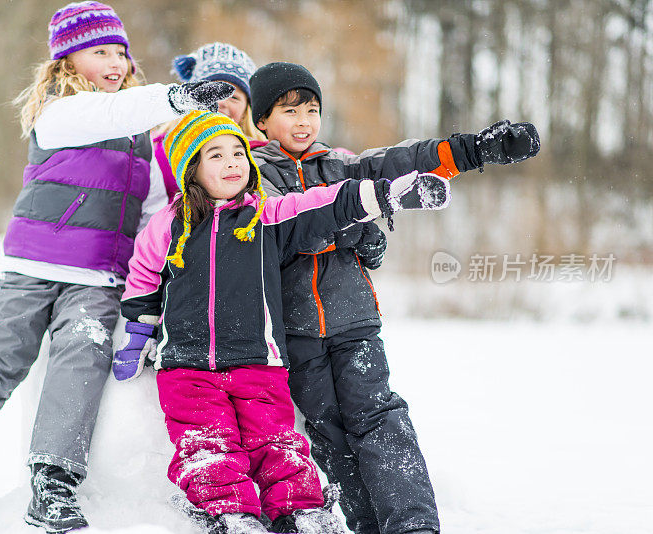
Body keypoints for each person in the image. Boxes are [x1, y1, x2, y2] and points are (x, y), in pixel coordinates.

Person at [0, 2, 232, 532]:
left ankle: (53, 480)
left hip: (98, 277)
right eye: (100, 52)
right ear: (67, 60)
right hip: (31, 270)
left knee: (80, 362)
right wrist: (171, 98)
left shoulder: (140, 137)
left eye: (120, 52)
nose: (114, 62)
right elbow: (108, 114)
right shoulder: (60, 111)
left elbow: (157, 208)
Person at [113, 110, 453, 534]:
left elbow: (325, 204)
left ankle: (301, 513)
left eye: (239, 152)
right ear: (191, 169)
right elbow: (143, 279)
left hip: (260, 364)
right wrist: (138, 333)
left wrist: (387, 195)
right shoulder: (168, 224)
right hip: (187, 367)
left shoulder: (267, 217)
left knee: (279, 445)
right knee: (207, 444)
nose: (233, 162)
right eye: (216, 155)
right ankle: (231, 515)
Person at [248, 61, 541, 534]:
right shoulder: (252, 174)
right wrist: (354, 228)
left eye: (312, 109)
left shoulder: (341, 166)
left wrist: (477, 149)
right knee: (329, 433)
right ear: (261, 120)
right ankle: (365, 524)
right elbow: (284, 230)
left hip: (355, 321)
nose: (304, 121)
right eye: (289, 111)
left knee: (382, 420)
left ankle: (413, 525)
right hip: (295, 332)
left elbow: (407, 161)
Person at [153, 42, 267, 201]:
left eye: (234, 97)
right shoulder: (158, 151)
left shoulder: (261, 155)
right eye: (211, 93)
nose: (222, 103)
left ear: (246, 110)